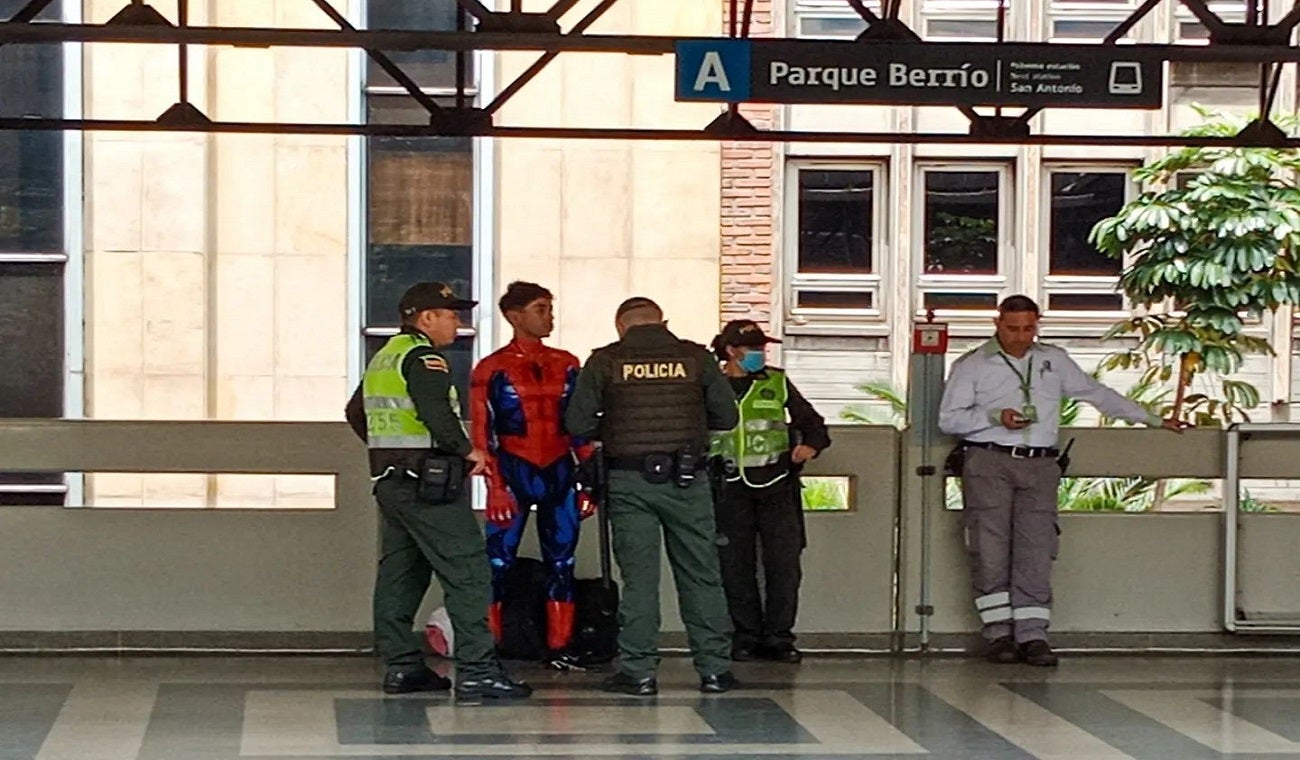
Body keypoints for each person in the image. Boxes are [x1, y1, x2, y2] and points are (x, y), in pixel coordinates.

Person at [937, 295, 1186, 667]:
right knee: (989, 547)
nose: (1021, 337)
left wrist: (1150, 418)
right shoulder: (973, 365)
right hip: (988, 459)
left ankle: (1033, 635)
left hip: (1040, 464)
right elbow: (949, 420)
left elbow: (1096, 393)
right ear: (997, 324)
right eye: (1013, 328)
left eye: (1029, 328)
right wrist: (994, 416)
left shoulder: (1053, 360)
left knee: (1037, 548)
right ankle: (998, 634)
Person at [344, 281, 531, 700]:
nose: (457, 324)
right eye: (451, 315)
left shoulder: (384, 358)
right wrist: (469, 451)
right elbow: (437, 416)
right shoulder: (424, 358)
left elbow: (356, 412)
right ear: (426, 317)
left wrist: (388, 452)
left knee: (402, 573)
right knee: (468, 572)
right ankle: (478, 670)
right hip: (427, 487)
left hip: (391, 482)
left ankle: (402, 667)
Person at [564, 297, 740, 696]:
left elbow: (577, 421)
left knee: (639, 581)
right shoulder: (695, 358)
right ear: (663, 322)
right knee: (701, 575)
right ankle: (714, 669)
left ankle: (638, 671)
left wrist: (611, 425)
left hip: (629, 482)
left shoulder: (606, 361)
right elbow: (727, 417)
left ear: (620, 326)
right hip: (688, 480)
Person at [470, 281, 594, 667]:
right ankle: (490, 647)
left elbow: (581, 425)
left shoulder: (569, 362)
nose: (549, 316)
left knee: (563, 560)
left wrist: (588, 478)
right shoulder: (490, 368)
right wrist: (495, 487)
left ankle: (560, 646)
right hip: (512, 468)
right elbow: (481, 433)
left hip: (559, 469)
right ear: (514, 315)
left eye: (550, 308)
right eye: (541, 309)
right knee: (497, 561)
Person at [708, 319, 831, 664]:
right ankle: (745, 636)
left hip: (777, 485)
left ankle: (779, 637)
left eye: (763, 348)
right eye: (753, 349)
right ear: (731, 351)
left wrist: (810, 446)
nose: (761, 354)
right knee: (735, 566)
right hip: (729, 487)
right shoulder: (710, 385)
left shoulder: (776, 382)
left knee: (784, 564)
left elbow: (814, 423)